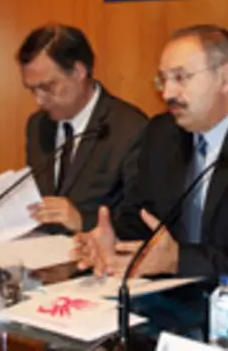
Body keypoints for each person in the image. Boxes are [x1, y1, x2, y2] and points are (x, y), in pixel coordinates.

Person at [76, 24, 228, 293]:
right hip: (170, 300)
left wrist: (180, 260)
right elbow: (142, 217)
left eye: (181, 77)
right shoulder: (161, 133)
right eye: (162, 80)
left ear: (226, 78)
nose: (167, 93)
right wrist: (115, 241)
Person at [18, 23, 147, 234]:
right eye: (32, 89)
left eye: (47, 87)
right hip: (42, 256)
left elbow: (139, 221)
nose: (39, 100)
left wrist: (83, 221)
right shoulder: (38, 126)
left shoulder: (129, 129)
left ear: (79, 72)